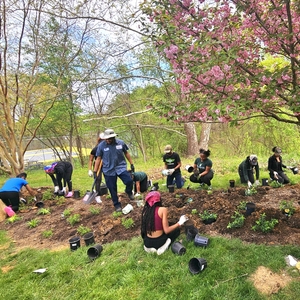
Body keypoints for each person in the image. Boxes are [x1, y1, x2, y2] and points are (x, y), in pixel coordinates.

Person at [93, 128, 135, 212]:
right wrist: (95, 171)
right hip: (108, 170)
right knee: (112, 189)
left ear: (113, 137)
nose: (108, 140)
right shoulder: (101, 146)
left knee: (129, 181)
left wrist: (131, 163)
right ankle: (117, 205)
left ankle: (129, 191)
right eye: (106, 139)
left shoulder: (121, 143)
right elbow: (98, 158)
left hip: (121, 167)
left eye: (110, 138)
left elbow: (126, 153)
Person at [88, 133, 105, 203]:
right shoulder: (95, 149)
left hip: (107, 165)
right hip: (97, 166)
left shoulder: (108, 147)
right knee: (98, 180)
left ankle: (111, 193)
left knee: (109, 179)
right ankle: (97, 195)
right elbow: (91, 160)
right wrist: (89, 169)